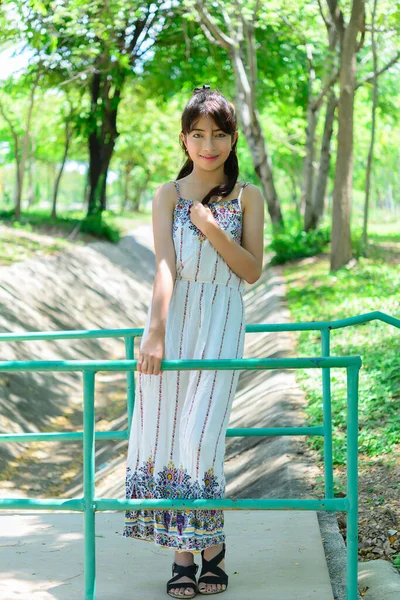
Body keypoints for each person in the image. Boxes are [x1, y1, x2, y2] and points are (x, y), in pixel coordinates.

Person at [123, 84, 265, 598]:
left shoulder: (249, 196)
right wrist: (154, 332)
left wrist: (210, 228)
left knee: (200, 437)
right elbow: (164, 267)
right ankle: (185, 555)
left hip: (223, 319)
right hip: (175, 322)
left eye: (219, 135)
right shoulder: (168, 194)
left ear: (232, 140)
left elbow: (251, 271)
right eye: (198, 134)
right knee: (164, 436)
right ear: (184, 140)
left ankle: (214, 547)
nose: (209, 145)